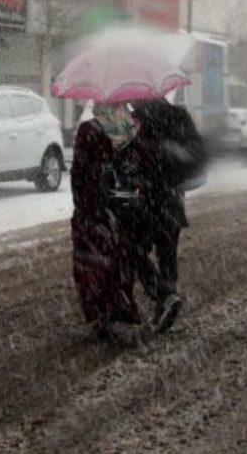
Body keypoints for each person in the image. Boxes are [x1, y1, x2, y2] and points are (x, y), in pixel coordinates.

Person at [131, 98, 207, 333]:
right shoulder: (178, 115)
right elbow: (198, 153)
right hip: (172, 197)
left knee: (134, 248)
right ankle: (168, 295)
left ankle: (161, 296)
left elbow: (128, 160)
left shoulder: (136, 121)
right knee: (167, 252)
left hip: (144, 198)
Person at [70, 102, 143, 340]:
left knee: (92, 265)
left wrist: (82, 204)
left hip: (94, 208)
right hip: (122, 207)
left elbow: (78, 172)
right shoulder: (129, 129)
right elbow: (134, 169)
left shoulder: (88, 130)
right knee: (121, 260)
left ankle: (101, 315)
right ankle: (119, 312)